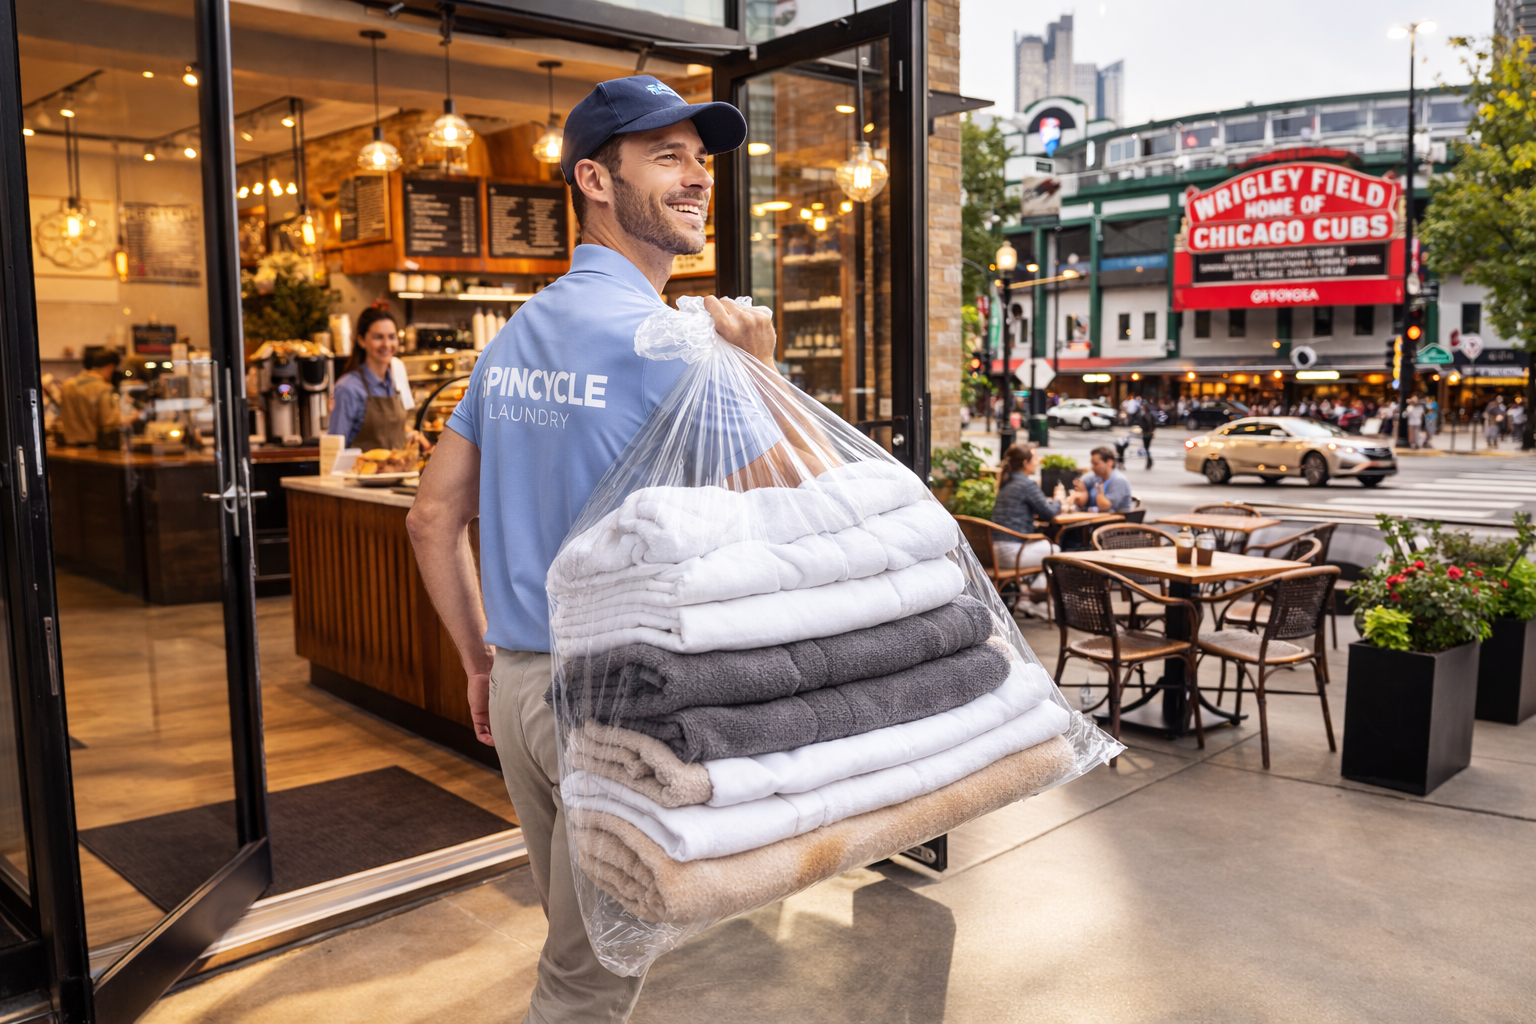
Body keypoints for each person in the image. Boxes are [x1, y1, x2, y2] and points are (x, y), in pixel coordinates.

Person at [406, 77, 779, 1023]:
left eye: (701, 158)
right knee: (583, 987)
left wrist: (481, 660)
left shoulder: (518, 335)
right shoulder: (681, 349)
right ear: (595, 179)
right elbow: (779, 522)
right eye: (667, 156)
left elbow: (429, 517)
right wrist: (763, 373)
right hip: (625, 706)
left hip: (529, 691)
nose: (698, 177)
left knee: (588, 947)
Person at [329, 307, 424, 451]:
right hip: (362, 472)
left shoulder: (393, 380)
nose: (386, 344)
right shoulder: (348, 387)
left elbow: (388, 432)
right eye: (378, 337)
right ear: (361, 340)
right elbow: (335, 448)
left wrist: (410, 435)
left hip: (399, 471)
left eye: (392, 337)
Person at [990, 444, 1060, 615]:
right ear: (1025, 463)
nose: (1038, 462)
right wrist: (1059, 499)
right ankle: (1050, 604)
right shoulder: (1027, 484)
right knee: (1056, 551)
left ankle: (1026, 598)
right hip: (1011, 553)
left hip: (992, 553)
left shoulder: (1006, 483)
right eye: (1035, 459)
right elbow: (1049, 513)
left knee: (1039, 546)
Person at [58, 349, 126, 448]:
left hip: (68, 447)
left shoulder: (67, 385)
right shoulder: (103, 388)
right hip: (92, 449)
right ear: (110, 367)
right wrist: (131, 418)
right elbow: (108, 421)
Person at [1069, 446, 1134, 513]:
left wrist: (1100, 491)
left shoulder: (1119, 480)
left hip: (1114, 521)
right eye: (1092, 464)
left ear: (1109, 462)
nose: (1092, 467)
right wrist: (1081, 494)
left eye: (1096, 464)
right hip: (1094, 518)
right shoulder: (1094, 477)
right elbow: (1081, 499)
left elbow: (1104, 508)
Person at [1136, 400, 1157, 469]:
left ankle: (1149, 461)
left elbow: (1143, 425)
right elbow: (1154, 425)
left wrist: (1143, 429)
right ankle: (1149, 461)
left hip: (1146, 434)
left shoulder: (1144, 416)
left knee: (1146, 448)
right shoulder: (1151, 415)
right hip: (1150, 434)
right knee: (1147, 448)